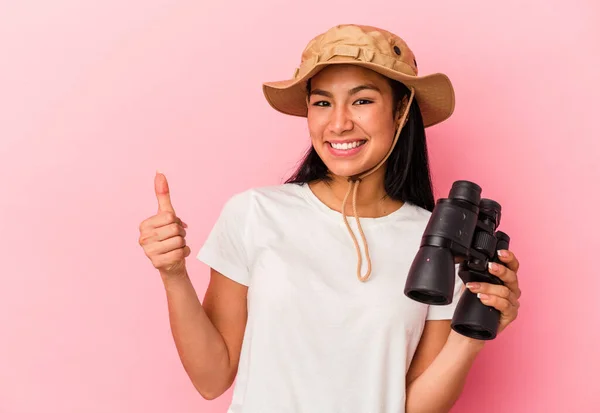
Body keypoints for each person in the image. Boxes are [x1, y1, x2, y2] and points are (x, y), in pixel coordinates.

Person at [138, 24, 521, 413]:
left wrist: (471, 333)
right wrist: (174, 274)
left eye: (361, 101)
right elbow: (211, 379)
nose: (337, 124)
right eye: (322, 103)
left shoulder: (436, 243)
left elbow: (414, 407)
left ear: (402, 109)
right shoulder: (255, 213)